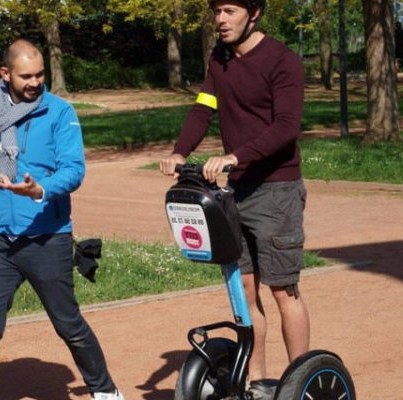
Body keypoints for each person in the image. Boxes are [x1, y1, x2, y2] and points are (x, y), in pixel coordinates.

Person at [159, 0, 309, 399]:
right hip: (234, 192)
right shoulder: (220, 59)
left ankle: (299, 382)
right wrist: (179, 151)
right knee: (244, 287)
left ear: (254, 13)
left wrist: (235, 156)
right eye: (216, 11)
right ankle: (259, 383)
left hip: (276, 189)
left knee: (282, 289)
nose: (220, 20)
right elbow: (203, 109)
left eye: (229, 11)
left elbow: (286, 127)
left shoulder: (282, 60)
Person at [0, 39, 124, 400]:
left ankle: (105, 391)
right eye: (26, 76)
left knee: (68, 324)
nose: (35, 82)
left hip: (47, 236)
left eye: (40, 74)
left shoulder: (59, 112)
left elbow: (74, 170)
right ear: (5, 74)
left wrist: (40, 190)